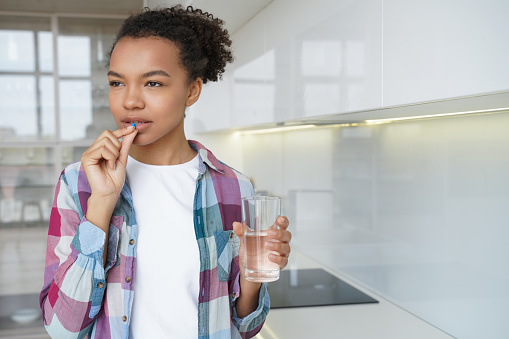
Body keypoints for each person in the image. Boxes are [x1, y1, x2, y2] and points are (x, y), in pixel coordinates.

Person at [39, 6, 292, 339]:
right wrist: (101, 205)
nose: (129, 101)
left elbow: (245, 326)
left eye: (152, 83)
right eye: (117, 82)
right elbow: (61, 328)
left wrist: (251, 276)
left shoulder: (235, 187)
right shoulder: (78, 184)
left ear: (192, 90)